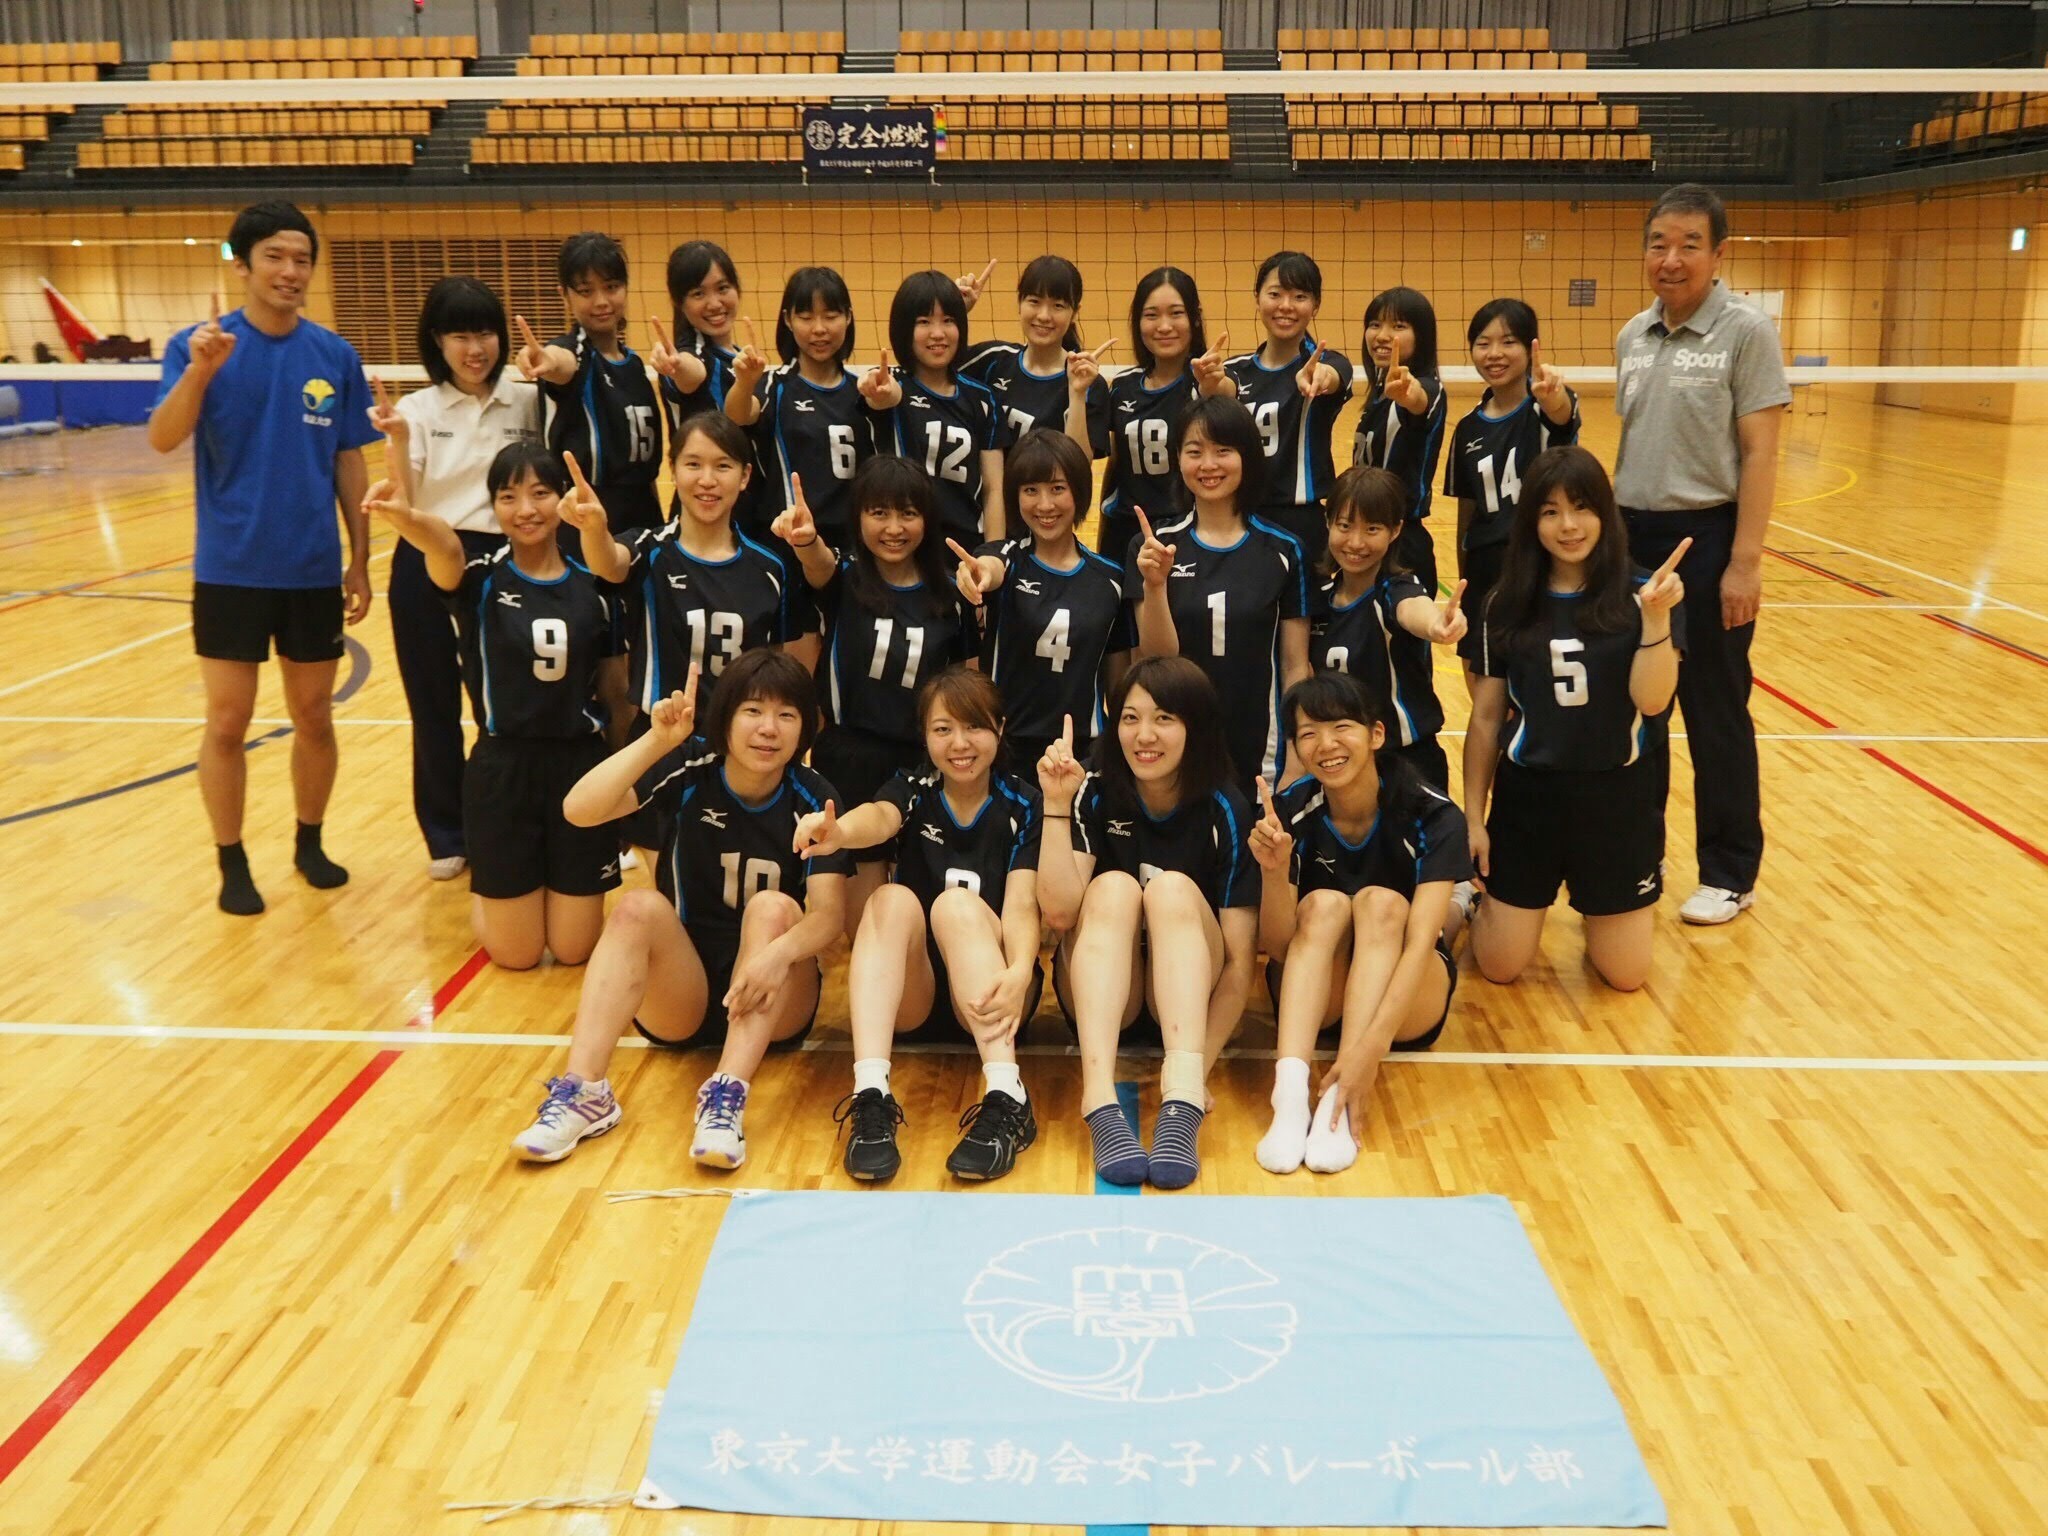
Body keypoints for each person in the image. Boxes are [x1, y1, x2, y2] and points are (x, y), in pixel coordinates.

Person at [511, 649, 849, 1168]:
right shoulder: (690, 767)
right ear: (725, 717)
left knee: (773, 908)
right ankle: (585, 1092)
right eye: (753, 711)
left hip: (774, 995)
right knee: (636, 906)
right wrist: (656, 741)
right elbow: (579, 810)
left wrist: (777, 956)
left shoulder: (815, 796)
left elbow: (828, 917)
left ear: (804, 728)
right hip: (683, 992)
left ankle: (726, 1096)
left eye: (786, 715)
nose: (768, 728)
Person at [147, 201, 377, 916]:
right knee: (227, 721)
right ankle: (232, 859)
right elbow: (162, 437)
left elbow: (349, 461)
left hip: (311, 570)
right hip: (230, 570)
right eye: (274, 256)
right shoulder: (198, 346)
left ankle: (310, 841)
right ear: (242, 266)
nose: (290, 271)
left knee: (314, 716)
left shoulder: (333, 355)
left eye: (301, 259)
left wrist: (361, 559)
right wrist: (200, 373)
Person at [362, 444, 622, 968]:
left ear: (562, 499)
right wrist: (406, 517)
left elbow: (615, 693)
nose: (525, 509)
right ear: (493, 507)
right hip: (502, 770)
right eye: (508, 497)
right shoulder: (478, 580)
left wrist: (618, 786)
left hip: (579, 765)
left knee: (573, 949)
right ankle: (502, 891)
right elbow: (443, 545)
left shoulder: (594, 586)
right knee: (516, 954)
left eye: (540, 493)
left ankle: (533, 887)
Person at [1615, 182, 1788, 926]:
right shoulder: (1632, 334)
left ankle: (1729, 871)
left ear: (1719, 254)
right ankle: (1639, 854)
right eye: (1659, 243)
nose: (1672, 258)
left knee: (1715, 710)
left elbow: (1761, 453)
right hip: (1633, 539)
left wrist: (1744, 562)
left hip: (1709, 538)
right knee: (1641, 707)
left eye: (1690, 244)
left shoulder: (1746, 332)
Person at [796, 669, 1045, 1183]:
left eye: (974, 727)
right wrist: (840, 832)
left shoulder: (1024, 803)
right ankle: (871, 1092)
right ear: (925, 736)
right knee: (888, 898)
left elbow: (1022, 904)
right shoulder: (913, 788)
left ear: (999, 728)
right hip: (918, 996)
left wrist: (1021, 970)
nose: (960, 744)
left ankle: (1007, 1093)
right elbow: (880, 817)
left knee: (955, 907)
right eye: (942, 729)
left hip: (996, 993)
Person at [1463, 446, 1688, 992]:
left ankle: (1601, 909)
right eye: (1550, 511)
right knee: (1499, 967)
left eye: (1582, 507)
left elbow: (1654, 702)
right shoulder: (1505, 603)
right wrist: (1473, 819)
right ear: (1531, 522)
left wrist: (1656, 620)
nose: (1568, 525)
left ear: (1605, 513)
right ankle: (1474, 902)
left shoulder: (1646, 593)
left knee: (1626, 976)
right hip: (1529, 798)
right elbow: (1487, 719)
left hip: (1618, 798)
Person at [1038, 659, 1259, 1190]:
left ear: (1195, 726)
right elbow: (1060, 913)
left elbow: (1239, 966)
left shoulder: (1225, 807)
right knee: (1113, 887)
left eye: (1163, 719)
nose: (1144, 735)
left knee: (1171, 889)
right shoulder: (1093, 788)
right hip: (1102, 998)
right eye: (1130, 718)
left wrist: (1198, 1073)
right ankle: (1099, 1100)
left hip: (1185, 1007)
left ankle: (1181, 1101)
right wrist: (1055, 806)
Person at [1249, 671, 1469, 1175]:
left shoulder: (1433, 815)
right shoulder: (1290, 811)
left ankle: (1338, 1101)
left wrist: (1370, 1050)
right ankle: (1290, 1096)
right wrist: (1274, 872)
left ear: (1376, 734)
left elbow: (1422, 945)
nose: (1326, 744)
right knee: (1324, 905)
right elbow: (1278, 947)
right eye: (1308, 733)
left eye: (1341, 727)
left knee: (1382, 904)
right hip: (1317, 995)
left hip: (1405, 998)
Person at [369, 276, 538, 881]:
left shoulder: (528, 399)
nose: (475, 348)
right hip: (428, 555)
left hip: (506, 562)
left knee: (505, 705)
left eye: (485, 332)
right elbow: (406, 498)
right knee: (432, 701)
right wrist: (395, 441)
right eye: (461, 335)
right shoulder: (416, 411)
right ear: (437, 341)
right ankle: (445, 830)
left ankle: (508, 820)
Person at [774, 455, 978, 936]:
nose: (894, 528)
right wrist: (805, 540)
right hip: (850, 755)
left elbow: (969, 684)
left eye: (908, 513)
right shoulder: (844, 578)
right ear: (858, 517)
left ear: (927, 519)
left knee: (920, 907)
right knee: (861, 924)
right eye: (879, 513)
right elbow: (817, 563)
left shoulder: (953, 594)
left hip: (924, 760)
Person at [572, 410, 815, 721]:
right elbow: (608, 564)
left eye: (723, 466)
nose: (707, 481)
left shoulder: (770, 568)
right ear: (673, 470)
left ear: (744, 476)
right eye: (693, 464)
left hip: (740, 737)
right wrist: (593, 528)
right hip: (660, 735)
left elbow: (776, 664)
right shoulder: (649, 550)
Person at [1129, 396, 1310, 797]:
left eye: (1223, 451)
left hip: (1260, 745)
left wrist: (1298, 753)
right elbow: (1155, 659)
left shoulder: (1284, 550)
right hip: (1176, 738)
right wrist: (1155, 585)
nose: (1208, 465)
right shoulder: (1153, 546)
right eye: (1195, 452)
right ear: (1178, 460)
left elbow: (1295, 665)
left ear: (1247, 457)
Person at [953, 429, 1133, 774]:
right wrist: (978, 574)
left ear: (1079, 492)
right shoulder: (1006, 558)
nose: (1045, 505)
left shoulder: (1110, 579)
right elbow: (989, 567)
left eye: (1057, 488)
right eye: (1030, 490)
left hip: (1083, 752)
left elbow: (1118, 684)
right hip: (1006, 748)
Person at [1445, 298, 1579, 694]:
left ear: (1530, 347)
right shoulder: (1467, 428)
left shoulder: (1543, 408)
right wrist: (1465, 580)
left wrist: (1553, 396)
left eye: (1508, 342)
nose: (1495, 354)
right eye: (1483, 343)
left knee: (1536, 687)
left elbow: (1562, 414)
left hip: (1538, 564)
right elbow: (1467, 513)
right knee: (1483, 688)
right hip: (1485, 569)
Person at [1309, 466, 1466, 791]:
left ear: (1395, 531)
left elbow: (1413, 609)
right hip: (1341, 763)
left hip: (1407, 763)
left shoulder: (1395, 590)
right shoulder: (1318, 600)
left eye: (1372, 529)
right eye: (1345, 526)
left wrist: (1436, 625)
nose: (1356, 542)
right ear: (1328, 523)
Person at [514, 231, 665, 546]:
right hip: (585, 519)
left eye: (611, 287)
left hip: (644, 516)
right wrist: (544, 359)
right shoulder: (575, 353)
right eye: (586, 291)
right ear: (565, 295)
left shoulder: (635, 366)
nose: (601, 301)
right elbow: (560, 362)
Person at [725, 265, 889, 549]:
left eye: (831, 316)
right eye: (806, 317)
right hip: (786, 539)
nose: (819, 329)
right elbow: (738, 415)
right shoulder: (774, 386)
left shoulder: (864, 390)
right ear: (788, 320)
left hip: (852, 543)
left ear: (849, 317)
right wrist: (745, 382)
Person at [1218, 250, 1353, 557]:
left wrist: (1321, 377)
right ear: (1257, 298)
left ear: (1315, 305)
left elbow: (1334, 375)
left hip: (1300, 522)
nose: (1286, 306)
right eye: (1275, 294)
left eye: (1300, 296)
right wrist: (1210, 386)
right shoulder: (1234, 371)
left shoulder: (1327, 363)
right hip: (1239, 517)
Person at [1097, 266, 1233, 560]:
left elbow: (1227, 396)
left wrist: (1213, 387)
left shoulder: (1210, 383)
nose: (1164, 326)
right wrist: (1104, 525)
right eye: (1151, 315)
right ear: (1138, 322)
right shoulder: (1122, 386)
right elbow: (1117, 465)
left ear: (1195, 318)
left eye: (1176, 313)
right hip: (1126, 530)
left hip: (1190, 529)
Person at [864, 268, 1004, 547]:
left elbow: (993, 489)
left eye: (948, 321)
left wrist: (995, 553)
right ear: (904, 329)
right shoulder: (891, 385)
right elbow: (881, 396)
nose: (938, 334)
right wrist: (878, 392)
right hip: (902, 548)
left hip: (966, 548)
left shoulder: (981, 398)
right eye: (924, 322)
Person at [649, 240, 761, 530]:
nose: (714, 303)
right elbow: (692, 372)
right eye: (698, 294)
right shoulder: (691, 356)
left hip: (748, 510)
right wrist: (675, 365)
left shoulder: (743, 359)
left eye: (722, 288)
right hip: (702, 511)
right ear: (680, 302)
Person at [959, 254, 1113, 459]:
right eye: (1034, 301)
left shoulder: (1089, 383)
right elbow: (929, 368)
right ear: (1019, 303)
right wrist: (958, 311)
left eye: (1058, 306)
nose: (1043, 315)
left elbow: (1080, 465)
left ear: (1074, 313)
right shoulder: (992, 359)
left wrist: (1077, 394)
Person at [1353, 285, 1448, 593]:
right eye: (1374, 324)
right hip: (1365, 536)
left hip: (1402, 543)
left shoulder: (1427, 389)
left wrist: (1409, 394)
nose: (1382, 335)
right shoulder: (1378, 396)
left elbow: (1419, 400)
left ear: (1422, 336)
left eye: (1398, 326)